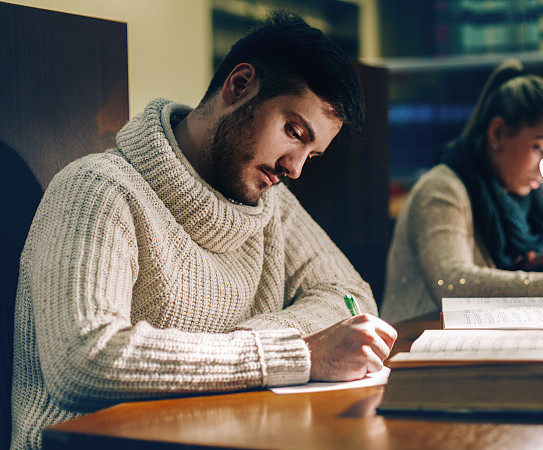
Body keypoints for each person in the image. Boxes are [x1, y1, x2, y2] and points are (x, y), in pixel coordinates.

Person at [11, 12, 396, 449]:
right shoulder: (98, 189)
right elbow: (84, 359)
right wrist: (299, 354)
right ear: (239, 86)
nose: (295, 167)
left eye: (313, 153)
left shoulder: (271, 204)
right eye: (294, 131)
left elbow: (352, 296)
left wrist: (250, 348)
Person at [381, 60, 543, 324]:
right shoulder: (441, 189)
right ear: (496, 133)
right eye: (540, 149)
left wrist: (530, 269)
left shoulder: (514, 198)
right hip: (413, 345)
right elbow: (452, 284)